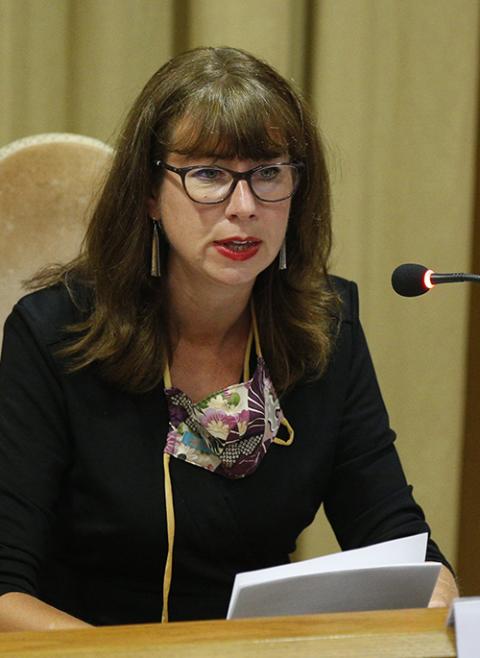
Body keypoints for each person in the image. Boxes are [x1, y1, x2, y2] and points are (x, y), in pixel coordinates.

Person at [0, 46, 457, 631]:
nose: (243, 207)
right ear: (148, 193)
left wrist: (438, 606)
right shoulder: (55, 335)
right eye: (209, 175)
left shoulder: (324, 330)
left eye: (268, 174)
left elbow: (397, 537)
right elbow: (5, 586)